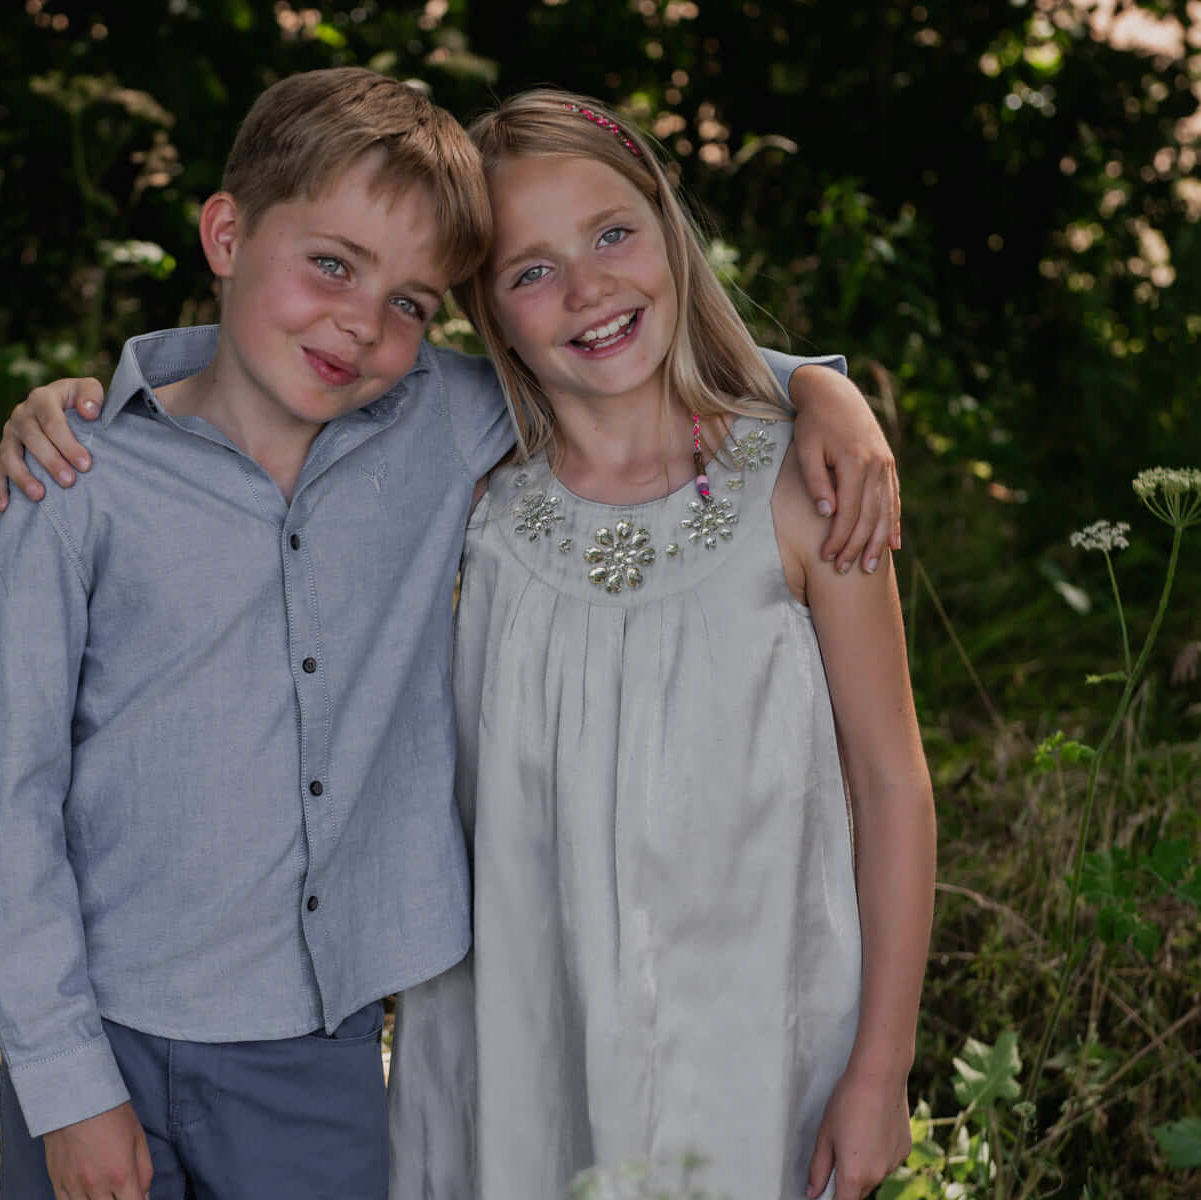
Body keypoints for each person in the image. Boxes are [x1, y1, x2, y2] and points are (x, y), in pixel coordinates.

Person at [0, 71, 901, 1200]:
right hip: (134, 1038)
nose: (363, 324)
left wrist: (821, 390)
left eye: (411, 302)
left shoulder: (437, 427)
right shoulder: (87, 479)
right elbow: (7, 807)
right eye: (331, 264)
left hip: (347, 1056)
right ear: (226, 232)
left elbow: (628, 367)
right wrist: (66, 1084)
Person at [381, 91, 937, 1200]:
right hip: (516, 1035)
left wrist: (884, 1066)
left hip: (751, 1041)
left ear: (669, 231)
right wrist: (102, 398)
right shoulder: (470, 504)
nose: (587, 288)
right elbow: (285, 363)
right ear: (486, 311)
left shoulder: (801, 489)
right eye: (530, 271)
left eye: (612, 233)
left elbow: (891, 785)